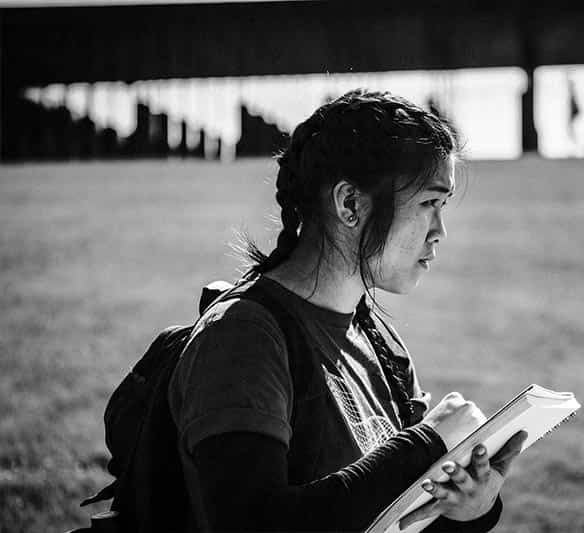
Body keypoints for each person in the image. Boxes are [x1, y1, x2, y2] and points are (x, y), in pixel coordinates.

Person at [167, 89, 526, 532]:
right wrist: (425, 445)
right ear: (350, 204)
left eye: (443, 205)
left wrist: (470, 509)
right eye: (428, 203)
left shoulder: (378, 340)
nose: (440, 231)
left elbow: (397, 516)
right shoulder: (242, 340)